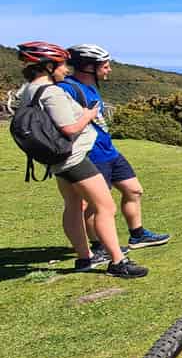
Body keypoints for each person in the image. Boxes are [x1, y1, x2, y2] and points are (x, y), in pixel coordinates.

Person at [13, 42, 149, 278]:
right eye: (61, 65)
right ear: (48, 67)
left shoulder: (28, 90)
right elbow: (69, 128)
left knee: (73, 205)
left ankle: (84, 258)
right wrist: (88, 115)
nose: (66, 69)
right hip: (74, 158)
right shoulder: (52, 92)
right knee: (105, 207)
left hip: (57, 159)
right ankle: (118, 261)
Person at [60, 44, 170, 260]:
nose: (109, 69)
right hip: (90, 154)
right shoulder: (68, 89)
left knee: (133, 190)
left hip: (109, 150)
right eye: (105, 66)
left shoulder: (91, 86)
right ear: (89, 67)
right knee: (94, 204)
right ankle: (99, 245)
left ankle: (137, 235)